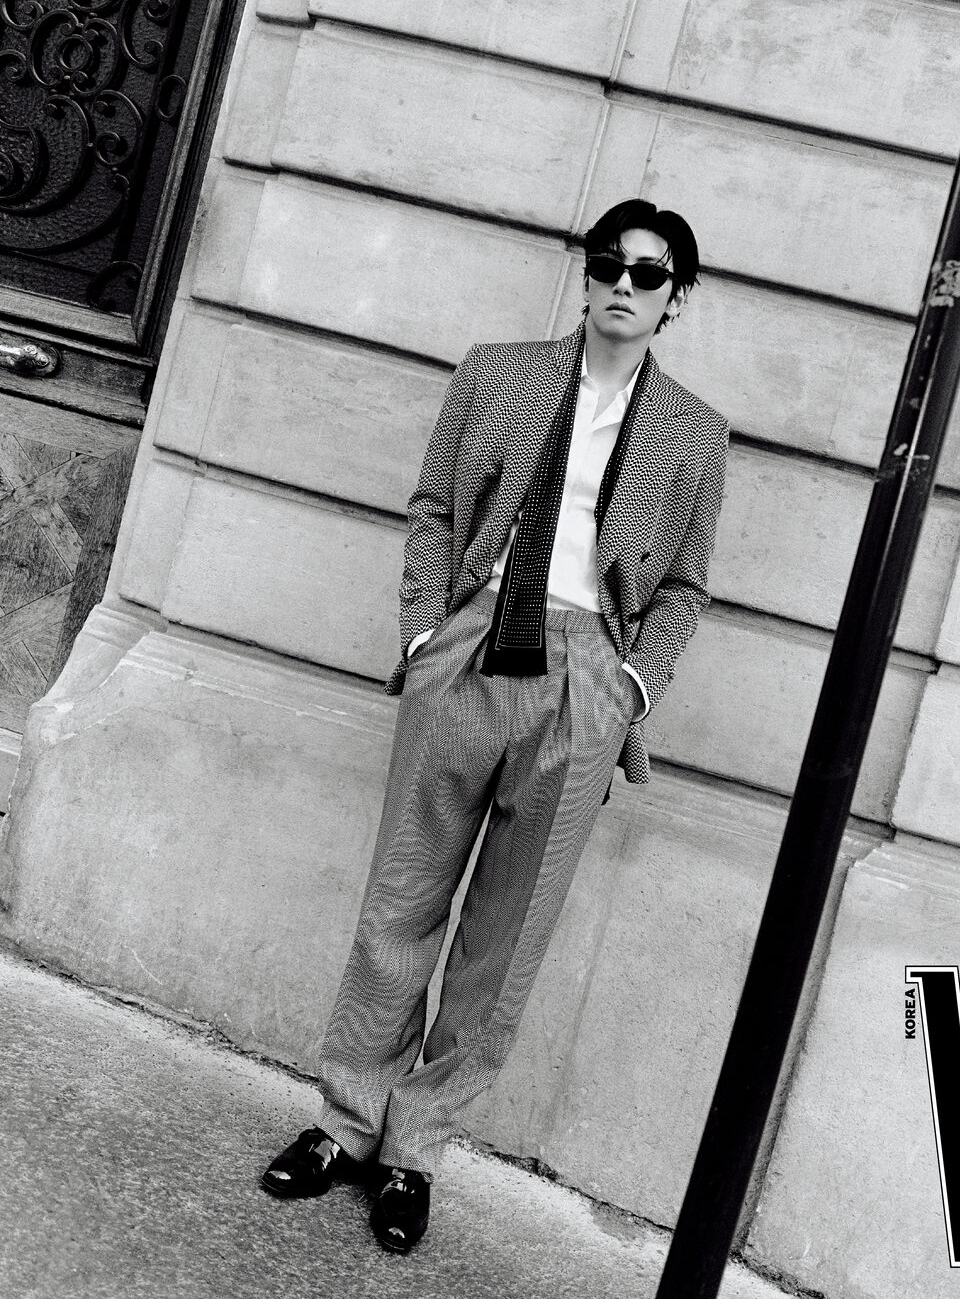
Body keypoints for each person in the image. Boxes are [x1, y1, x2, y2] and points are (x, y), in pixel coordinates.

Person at [260, 198, 730, 1253]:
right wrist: (427, 631)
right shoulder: (497, 373)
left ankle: (415, 1148)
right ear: (586, 272)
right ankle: (345, 1120)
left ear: (676, 298)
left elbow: (686, 585)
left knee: (503, 944)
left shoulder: (695, 434)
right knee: (401, 898)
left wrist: (631, 687)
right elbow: (434, 505)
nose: (623, 284)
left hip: (586, 676)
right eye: (607, 263)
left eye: (648, 274)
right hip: (472, 644)